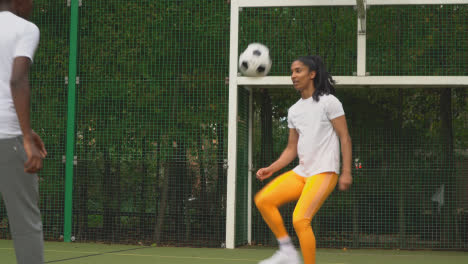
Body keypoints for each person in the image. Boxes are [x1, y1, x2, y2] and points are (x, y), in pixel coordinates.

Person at [255, 55, 352, 264]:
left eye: (298, 71)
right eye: (292, 72)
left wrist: (346, 171)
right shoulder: (294, 110)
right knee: (263, 200)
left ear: (312, 74)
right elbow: (291, 149)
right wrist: (272, 168)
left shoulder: (329, 102)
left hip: (325, 171)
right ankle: (287, 251)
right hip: (303, 172)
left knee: (300, 219)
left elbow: (344, 137)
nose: (293, 76)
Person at [0, 0, 47, 263]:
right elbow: (17, 79)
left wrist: (26, 129)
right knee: (25, 223)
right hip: (6, 137)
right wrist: (25, 136)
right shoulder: (25, 29)